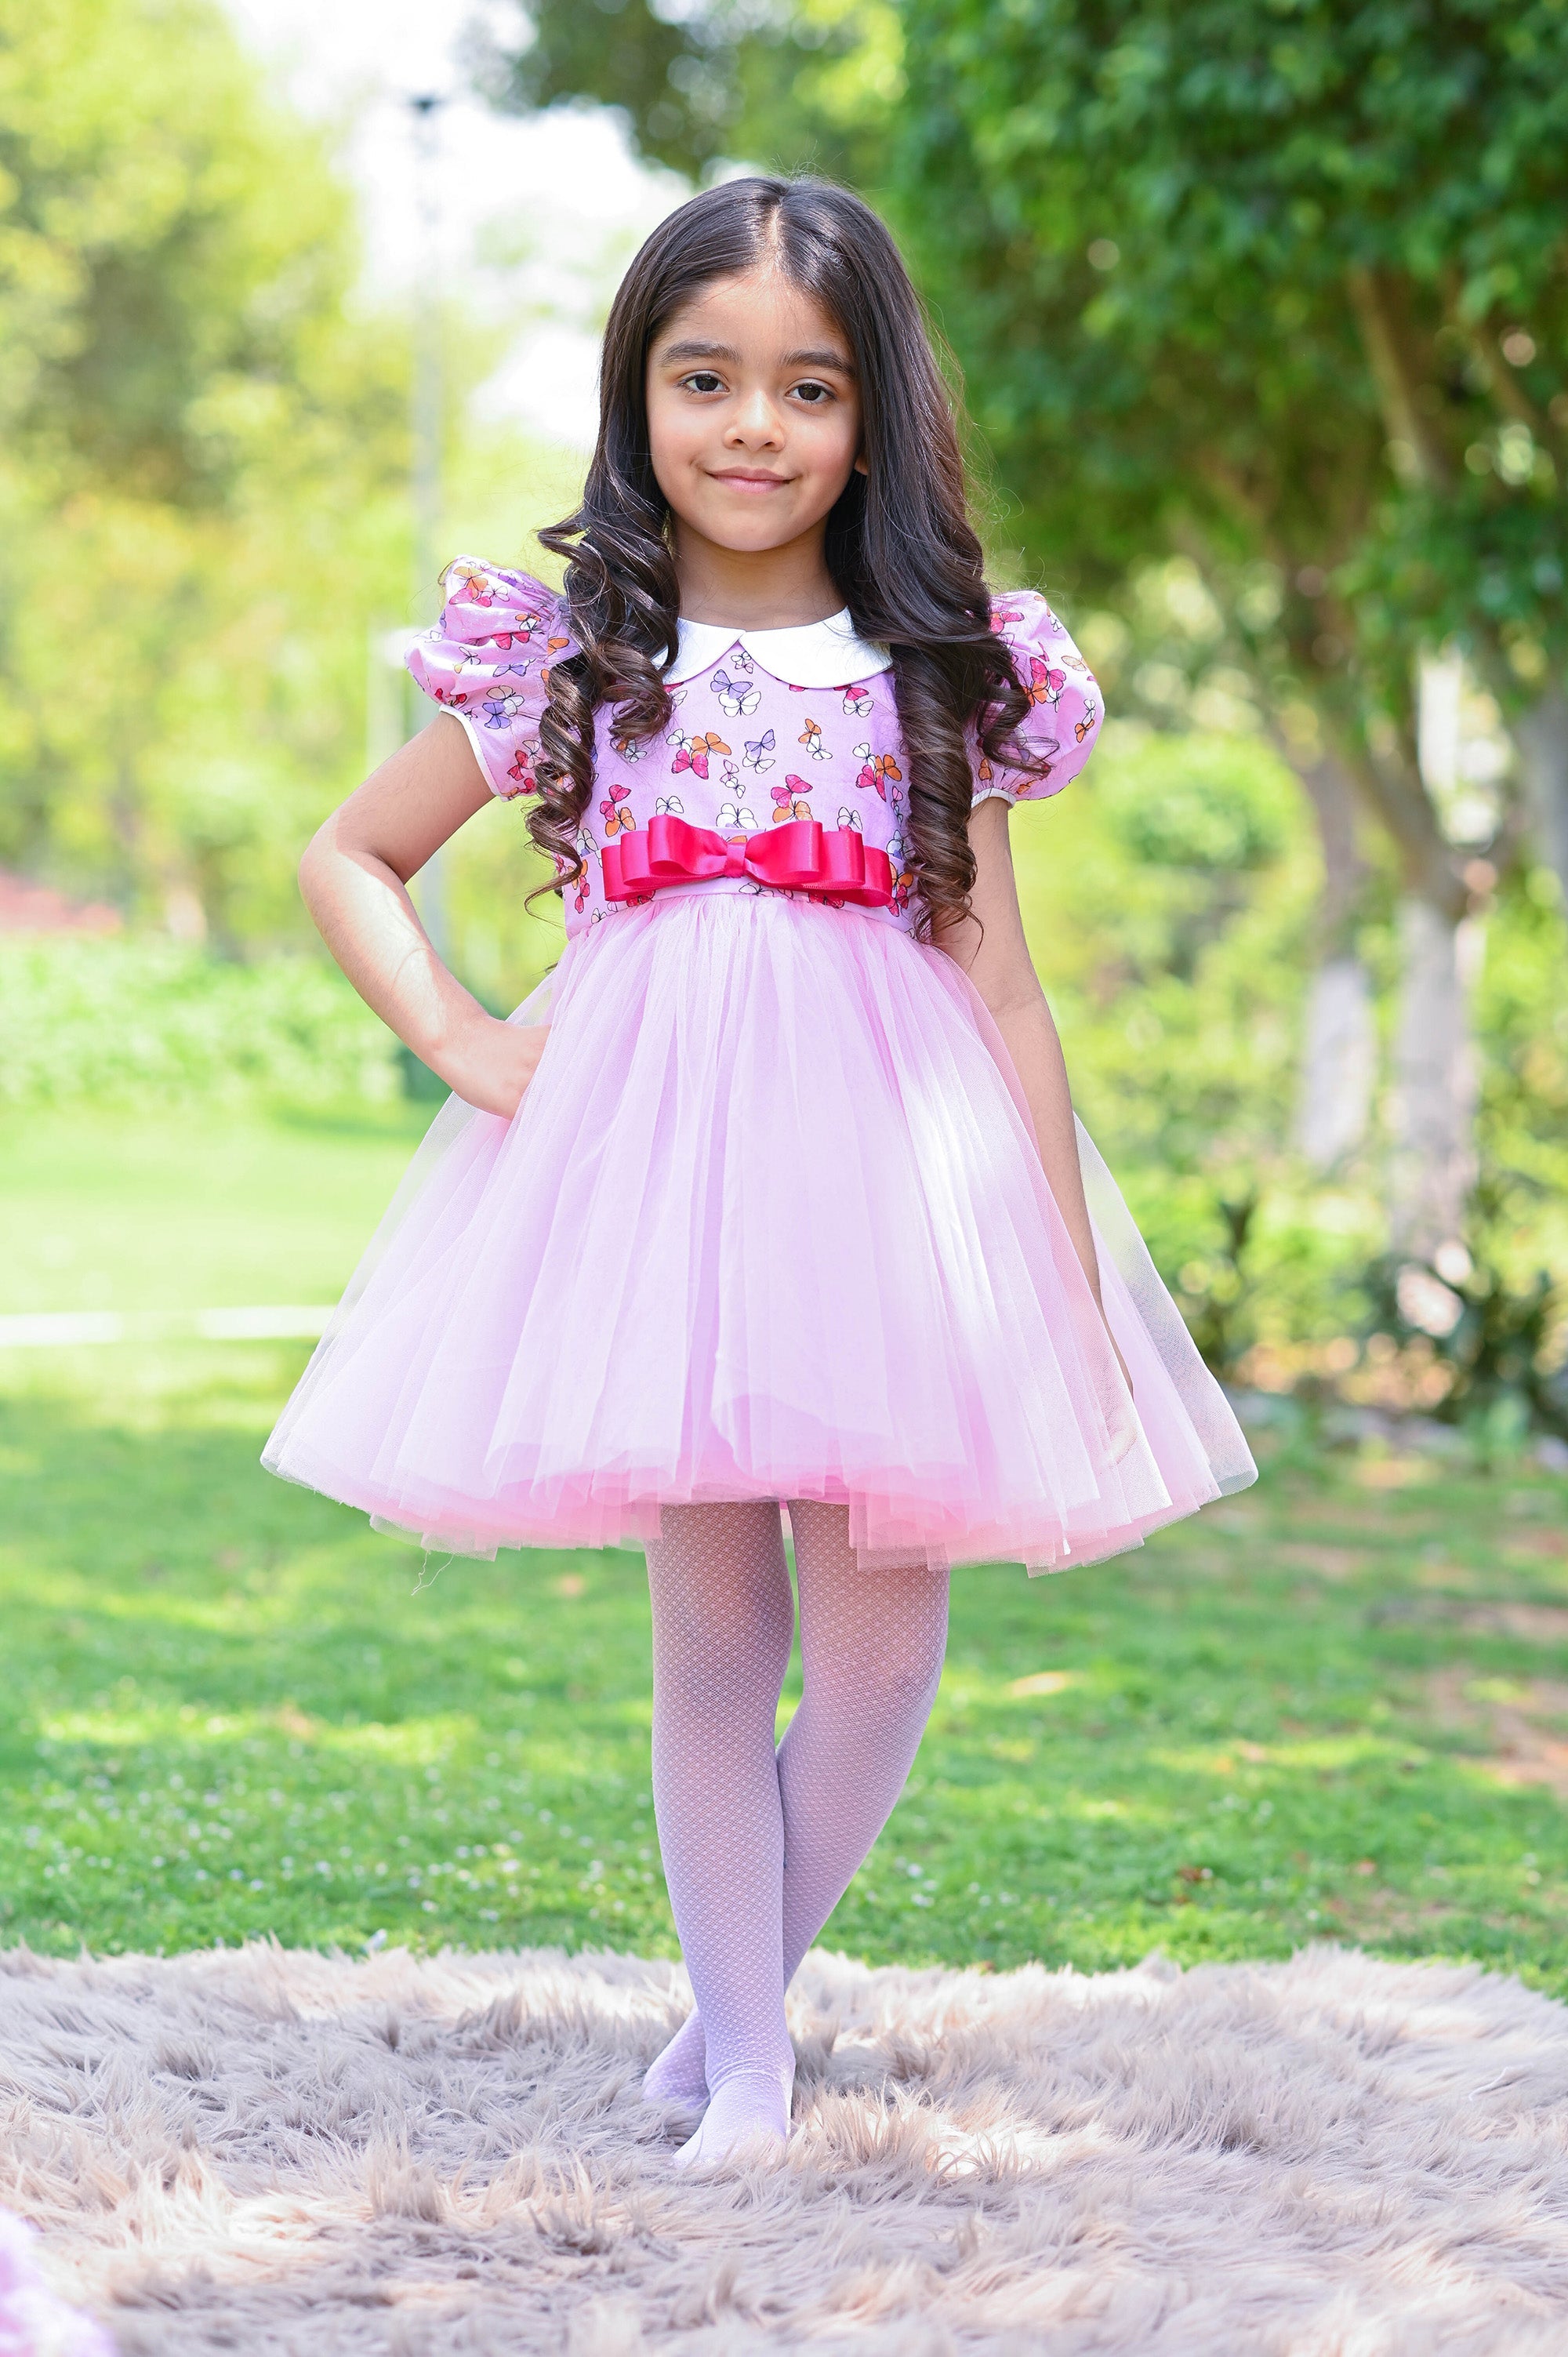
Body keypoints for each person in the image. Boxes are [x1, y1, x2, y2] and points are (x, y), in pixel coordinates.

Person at [264, 176, 1254, 2167]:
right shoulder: (576, 652)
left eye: (808, 388)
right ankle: (742, 2068)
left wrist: (1059, 1284)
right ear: (637, 394)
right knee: (714, 1641)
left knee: (884, 1653)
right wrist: (466, 1042)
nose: (752, 427)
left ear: (871, 418)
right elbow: (348, 855)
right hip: (661, 1198)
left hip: (889, 1200)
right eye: (703, 378)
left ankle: (728, 2015)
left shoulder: (937, 668)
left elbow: (1002, 988)